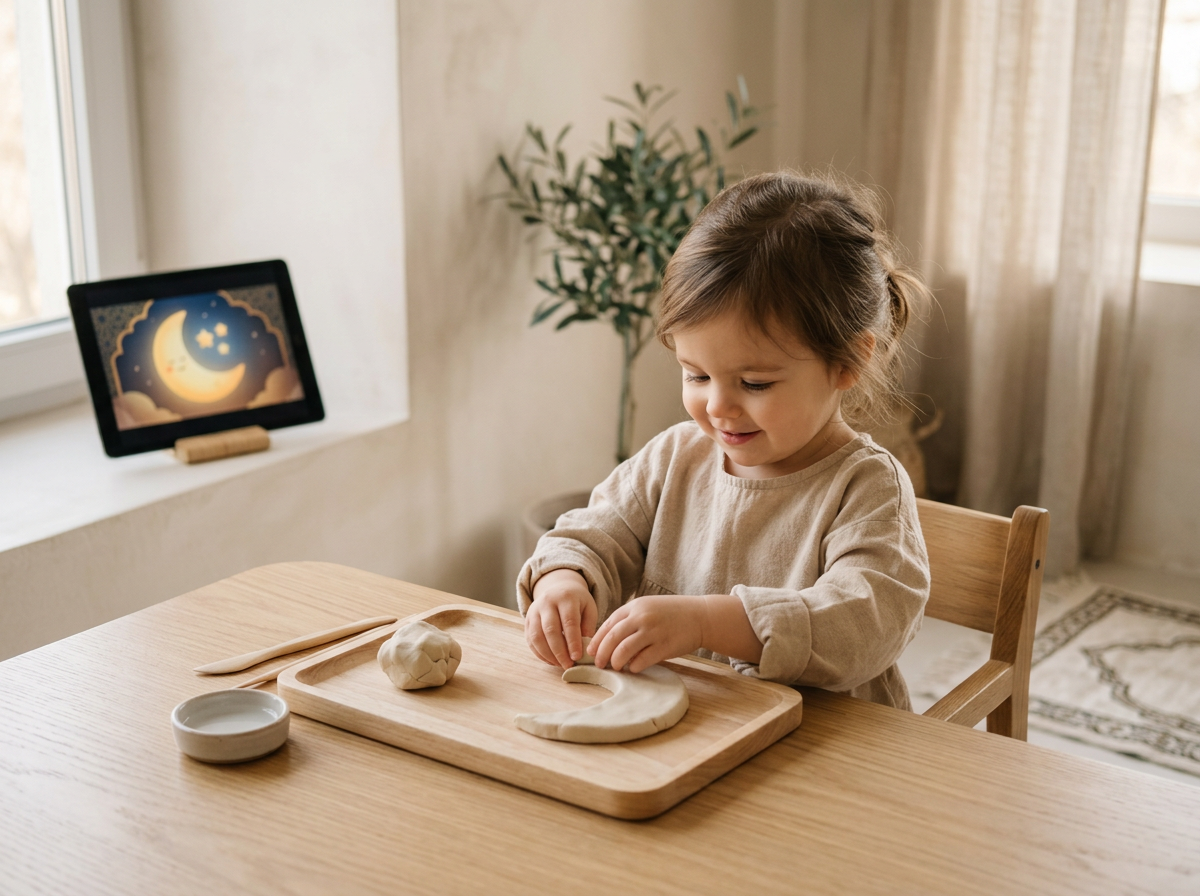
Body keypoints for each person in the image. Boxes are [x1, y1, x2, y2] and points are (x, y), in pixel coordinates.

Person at [517, 171, 932, 709]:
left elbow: (865, 625)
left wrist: (707, 622)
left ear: (849, 360)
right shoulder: (674, 457)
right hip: (692, 724)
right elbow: (592, 534)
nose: (717, 407)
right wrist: (563, 580)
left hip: (822, 741)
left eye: (754, 383)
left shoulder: (868, 487)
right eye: (696, 375)